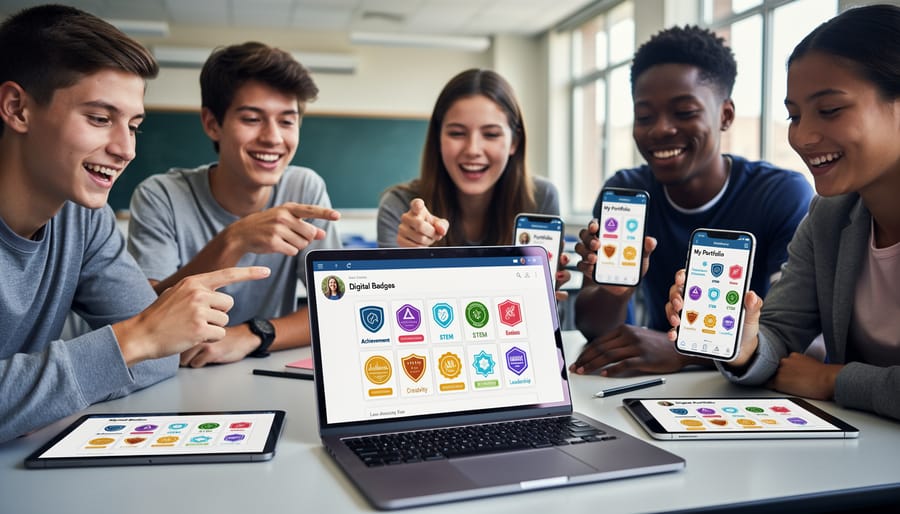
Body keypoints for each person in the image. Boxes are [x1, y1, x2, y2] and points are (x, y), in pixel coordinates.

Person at [0, 5, 268, 444]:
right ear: (17, 108)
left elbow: (161, 354)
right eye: (100, 119)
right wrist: (132, 341)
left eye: (135, 126)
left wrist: (33, 393)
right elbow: (145, 338)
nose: (126, 149)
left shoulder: (87, 221)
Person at [665, 4, 900, 421]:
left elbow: (816, 375)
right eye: (794, 115)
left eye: (829, 110)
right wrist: (744, 345)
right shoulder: (829, 216)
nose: (803, 136)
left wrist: (833, 379)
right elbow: (781, 337)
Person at [569, 26, 814, 377]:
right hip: (655, 380)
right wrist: (614, 290)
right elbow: (595, 327)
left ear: (725, 115)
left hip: (746, 387)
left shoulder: (780, 194)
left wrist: (685, 354)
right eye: (644, 116)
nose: (660, 130)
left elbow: (794, 340)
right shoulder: (627, 190)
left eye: (684, 112)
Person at [128, 42, 341, 368]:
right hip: (175, 373)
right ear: (212, 123)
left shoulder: (304, 188)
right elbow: (143, 318)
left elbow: (338, 303)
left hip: (265, 366)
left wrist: (253, 333)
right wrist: (234, 240)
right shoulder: (161, 196)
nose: (273, 138)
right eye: (253, 119)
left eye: (287, 121)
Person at [376, 69, 569, 287]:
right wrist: (407, 260)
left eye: (491, 134)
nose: (473, 149)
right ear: (438, 139)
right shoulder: (400, 206)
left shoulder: (541, 197)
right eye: (457, 133)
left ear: (514, 142)